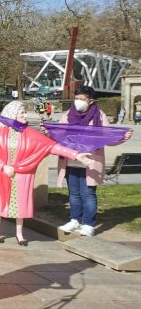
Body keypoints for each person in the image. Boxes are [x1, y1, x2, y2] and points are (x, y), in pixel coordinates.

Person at [0, 101, 91, 246]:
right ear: (12, 114)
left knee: (20, 204)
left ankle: (19, 234)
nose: (25, 115)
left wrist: (76, 155)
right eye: (22, 113)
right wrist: (2, 166)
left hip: (22, 174)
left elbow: (52, 146)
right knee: (1, 202)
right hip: (2, 173)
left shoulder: (30, 133)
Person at [54, 86, 132, 236]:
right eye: (76, 99)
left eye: (82, 99)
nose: (78, 102)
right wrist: (48, 131)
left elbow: (107, 137)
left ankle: (89, 223)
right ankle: (75, 220)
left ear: (90, 101)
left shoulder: (99, 116)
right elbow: (60, 134)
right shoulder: (67, 115)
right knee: (74, 194)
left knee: (88, 193)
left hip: (90, 162)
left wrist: (122, 137)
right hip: (71, 160)